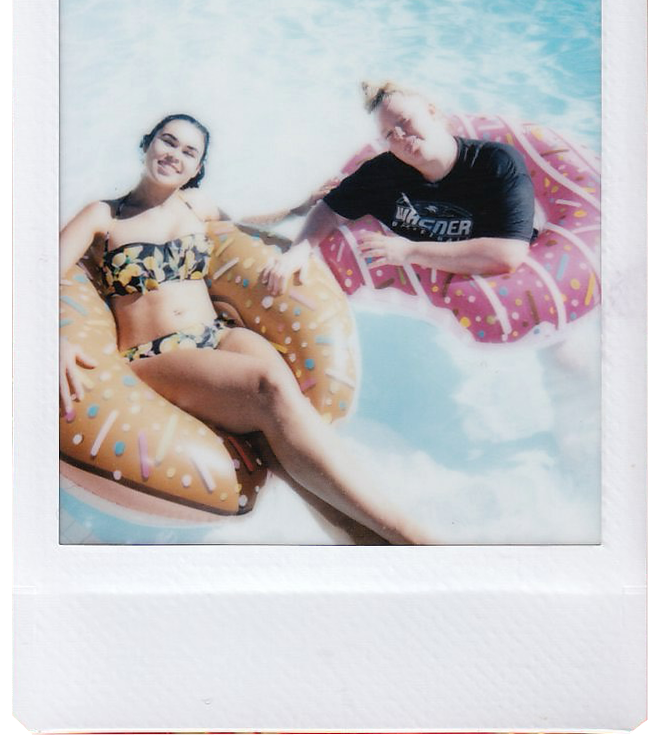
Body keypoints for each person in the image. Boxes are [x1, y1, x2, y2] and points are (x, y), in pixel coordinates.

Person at [59, 113, 434, 545]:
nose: (175, 155)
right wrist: (59, 339)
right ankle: (412, 535)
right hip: (157, 355)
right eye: (168, 141)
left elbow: (240, 228)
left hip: (218, 336)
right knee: (268, 385)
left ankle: (371, 546)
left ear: (197, 168)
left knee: (279, 435)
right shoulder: (104, 215)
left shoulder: (195, 206)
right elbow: (40, 275)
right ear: (148, 144)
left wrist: (297, 209)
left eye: (189, 152)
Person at [260, 81, 537, 297]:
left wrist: (409, 252)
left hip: (499, 289)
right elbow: (329, 211)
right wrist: (298, 252)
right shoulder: (384, 172)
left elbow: (507, 254)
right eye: (390, 134)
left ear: (432, 112)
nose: (402, 136)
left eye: (404, 121)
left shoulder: (495, 163)